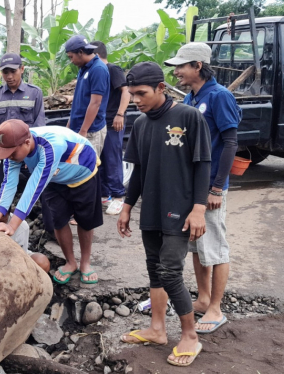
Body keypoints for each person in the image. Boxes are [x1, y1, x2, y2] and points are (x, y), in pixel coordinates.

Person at [117, 62, 211, 367]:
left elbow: (203, 164)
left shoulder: (188, 116)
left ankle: (190, 336)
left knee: (170, 272)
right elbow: (138, 171)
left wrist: (199, 208)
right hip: (152, 211)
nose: (135, 100)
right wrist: (127, 206)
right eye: (131, 95)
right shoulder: (141, 124)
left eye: (141, 93)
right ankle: (157, 329)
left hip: (181, 210)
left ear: (160, 87)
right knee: (155, 270)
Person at [165, 43, 241, 334]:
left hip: (210, 187)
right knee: (198, 244)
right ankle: (203, 297)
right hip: (192, 186)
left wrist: (217, 188)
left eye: (182, 66)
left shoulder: (219, 96)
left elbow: (231, 142)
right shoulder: (190, 96)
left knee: (216, 248)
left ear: (198, 66)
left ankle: (216, 307)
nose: (177, 72)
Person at [0, 119, 102, 285]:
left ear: (27, 143)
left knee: (86, 221)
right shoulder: (12, 149)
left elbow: (33, 188)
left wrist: (12, 226)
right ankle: (70, 262)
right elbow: (9, 184)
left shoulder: (51, 146)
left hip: (82, 173)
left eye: (13, 152)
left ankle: (85, 262)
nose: (10, 157)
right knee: (58, 220)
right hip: (55, 178)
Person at [0, 52, 46, 191]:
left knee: (35, 191)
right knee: (1, 192)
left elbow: (39, 125)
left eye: (13, 71)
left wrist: (32, 154)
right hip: (2, 155)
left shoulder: (35, 93)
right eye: (5, 72)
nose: (9, 76)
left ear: (22, 69)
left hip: (27, 153)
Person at [91, 41, 131, 215]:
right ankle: (105, 194)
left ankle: (118, 197)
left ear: (97, 55)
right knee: (100, 160)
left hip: (113, 121)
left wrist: (120, 114)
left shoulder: (112, 69)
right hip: (100, 122)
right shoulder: (95, 71)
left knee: (112, 158)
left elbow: (126, 91)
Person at [65, 35, 110, 157]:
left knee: (88, 169)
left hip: (91, 131)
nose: (71, 61)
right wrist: (69, 125)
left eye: (71, 57)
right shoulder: (83, 68)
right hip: (78, 128)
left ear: (80, 52)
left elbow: (95, 103)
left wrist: (84, 131)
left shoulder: (98, 69)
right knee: (76, 170)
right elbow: (80, 100)